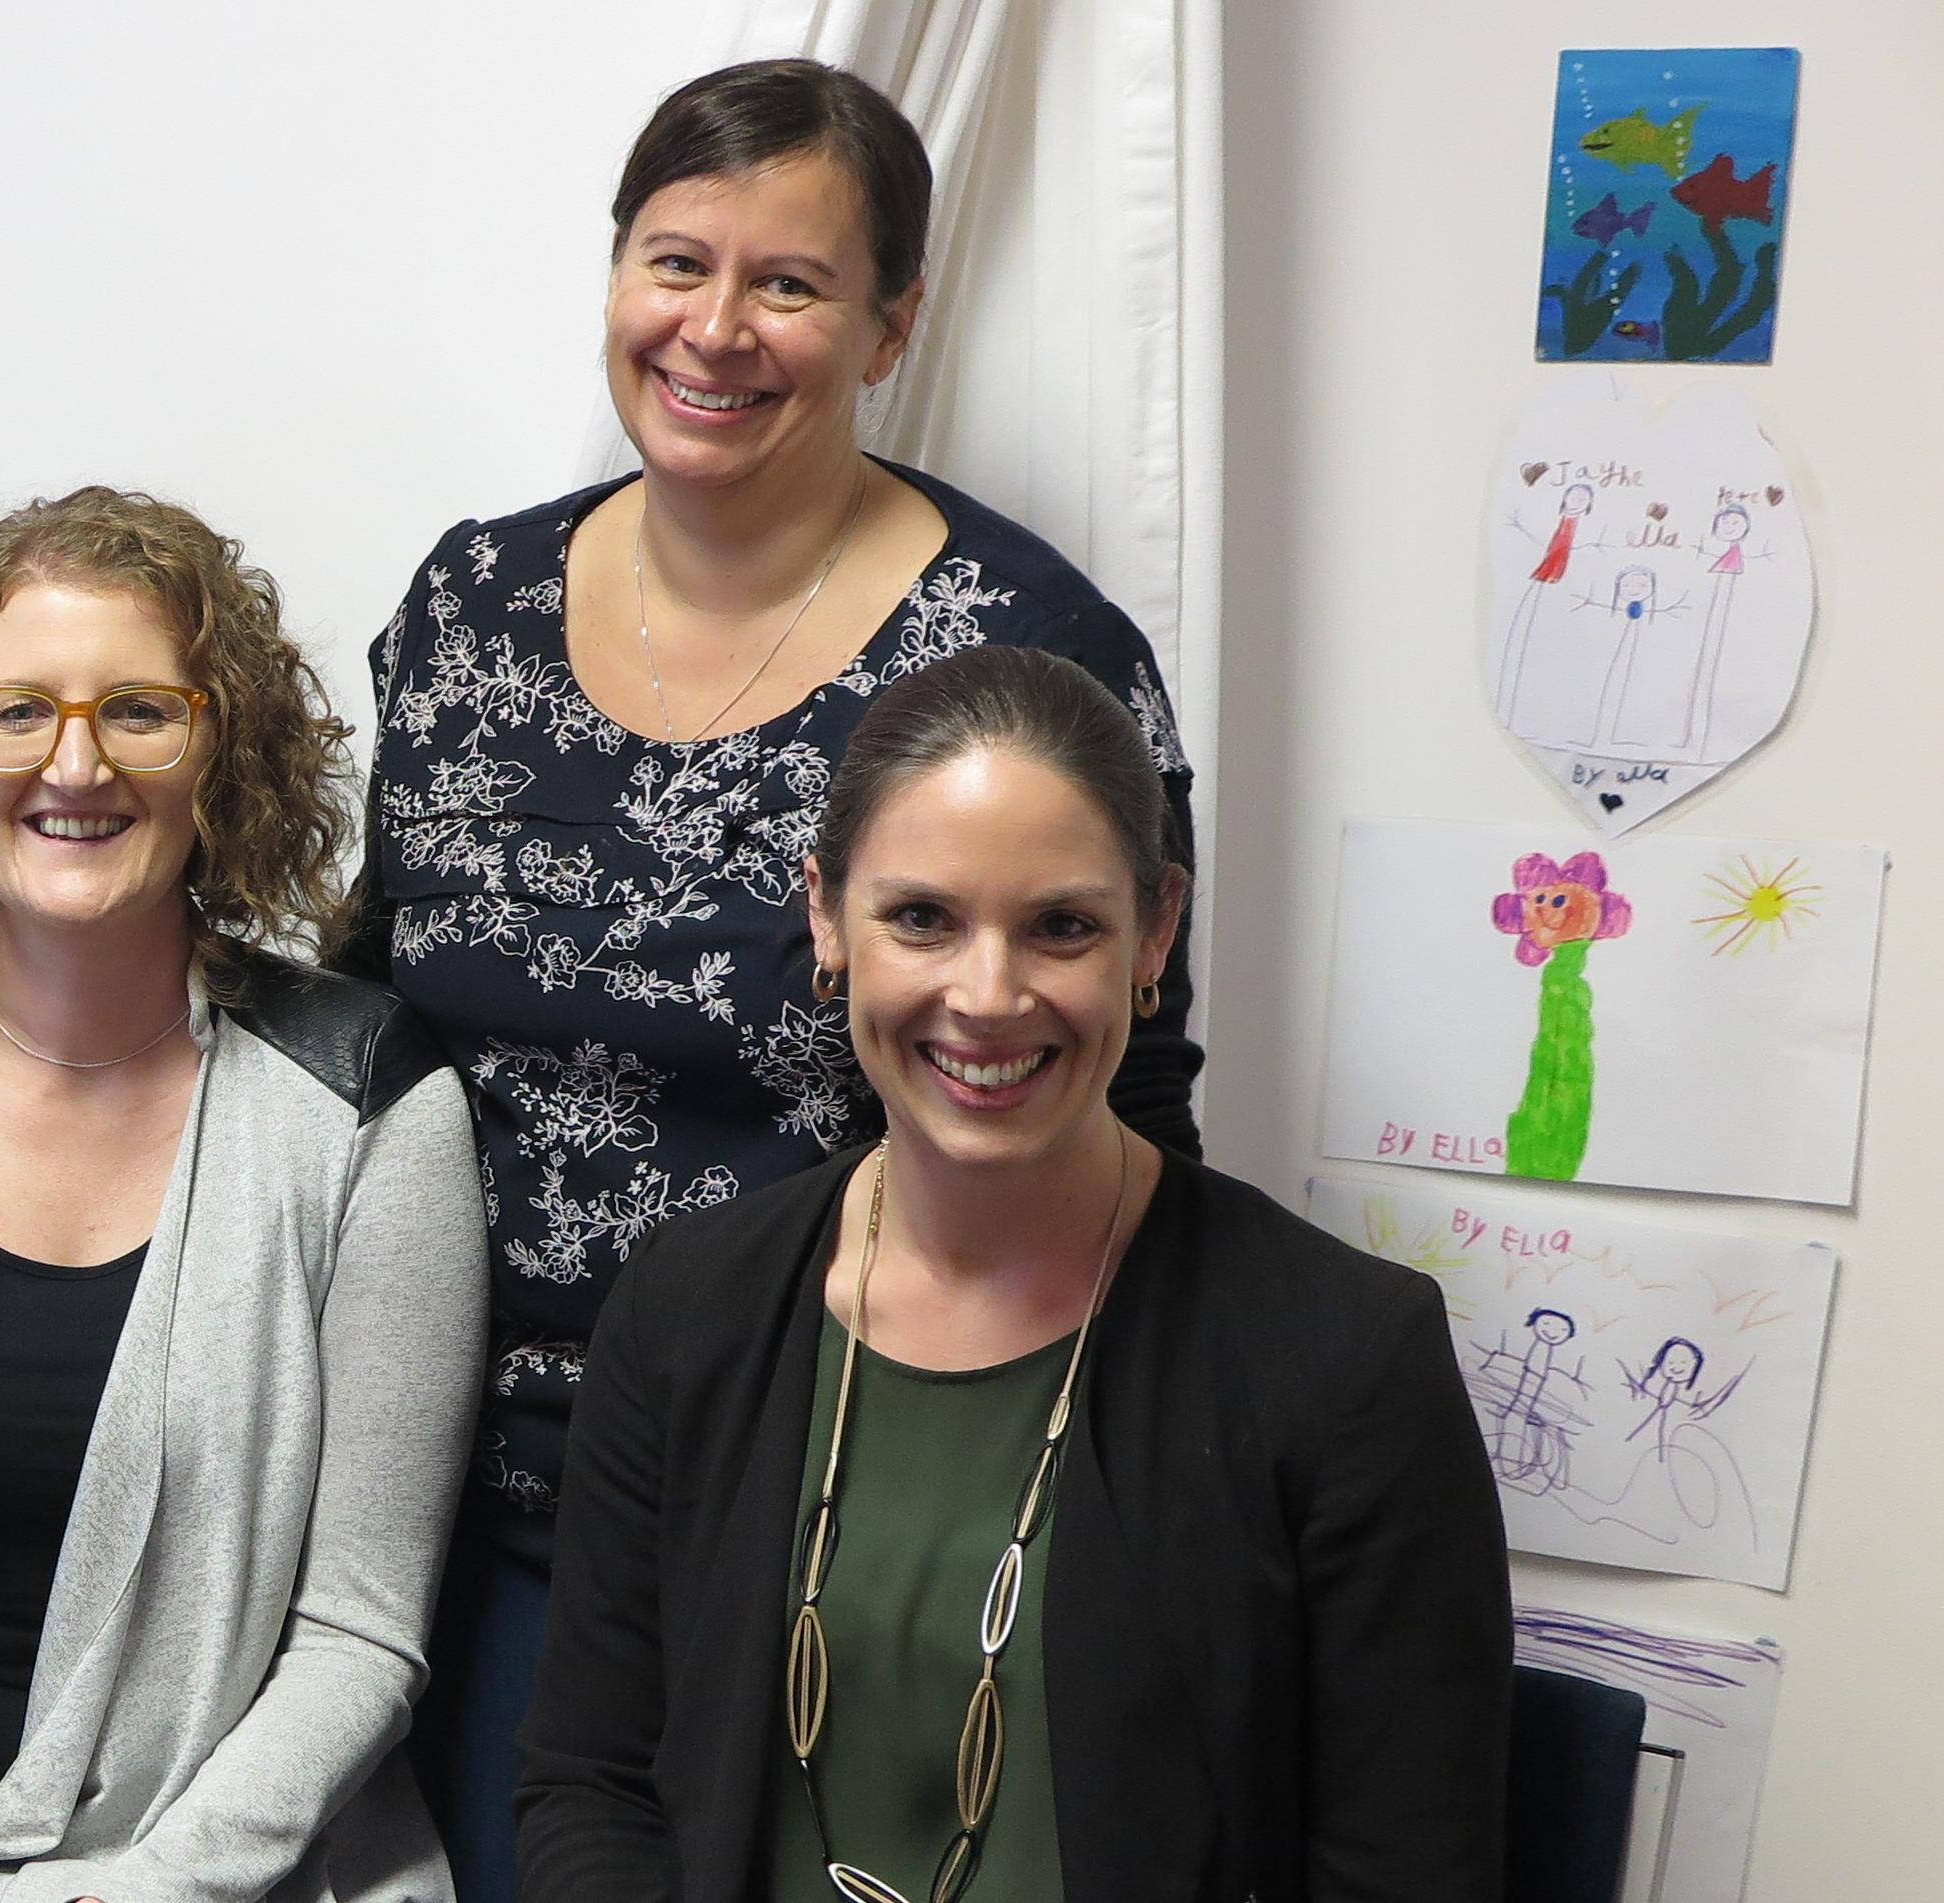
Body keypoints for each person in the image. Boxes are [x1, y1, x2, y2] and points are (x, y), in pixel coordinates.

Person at [342, 60, 1208, 1892]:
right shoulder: (467, 607)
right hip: (412, 1496)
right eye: (674, 262)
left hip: (819, 1497)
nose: (714, 330)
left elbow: (1130, 1100)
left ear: (895, 321)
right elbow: (372, 1006)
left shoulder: (1019, 652)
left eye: (791, 285)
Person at [518, 646, 1509, 1902]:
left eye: (1061, 927)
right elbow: (588, 1781)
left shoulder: (1345, 1359)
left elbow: (1407, 1873)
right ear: (826, 916)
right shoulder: (687, 1302)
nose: (988, 997)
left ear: (1154, 930)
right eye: (921, 917)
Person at [0, 489, 491, 1902]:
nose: (73, 761)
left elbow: (358, 1636)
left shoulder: (368, 1102)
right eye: (14, 710)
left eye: (137, 708)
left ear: (219, 753)